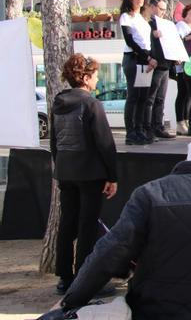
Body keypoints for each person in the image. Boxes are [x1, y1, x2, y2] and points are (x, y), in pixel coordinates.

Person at [53, 138, 191, 320]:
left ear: (187, 159)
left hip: (158, 306)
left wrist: (74, 299)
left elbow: (112, 250)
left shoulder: (149, 193)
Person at [51, 54, 118, 294]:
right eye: (96, 76)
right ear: (86, 78)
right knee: (87, 226)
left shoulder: (58, 102)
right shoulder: (91, 103)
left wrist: (59, 166)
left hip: (66, 171)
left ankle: (64, 277)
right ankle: (83, 279)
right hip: (90, 173)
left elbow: (53, 141)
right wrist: (112, 176)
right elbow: (105, 143)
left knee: (68, 223)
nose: (98, 80)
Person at [118, 0, 157, 145]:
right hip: (134, 59)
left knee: (143, 97)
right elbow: (130, 41)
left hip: (145, 59)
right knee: (133, 97)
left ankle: (140, 130)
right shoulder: (126, 17)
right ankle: (131, 133)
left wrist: (151, 58)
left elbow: (148, 42)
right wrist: (148, 58)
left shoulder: (142, 18)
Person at [144, 0, 175, 139]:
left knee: (160, 98)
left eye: (164, 9)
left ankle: (158, 126)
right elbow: (143, 42)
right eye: (161, 9)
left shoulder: (166, 24)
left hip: (165, 65)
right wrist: (152, 34)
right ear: (152, 7)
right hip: (155, 64)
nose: (163, 12)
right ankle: (148, 128)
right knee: (151, 98)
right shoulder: (148, 24)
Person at [174, 3, 191, 135]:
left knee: (188, 96)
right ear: (186, 12)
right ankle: (180, 122)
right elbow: (178, 42)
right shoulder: (180, 26)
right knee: (183, 94)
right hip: (183, 65)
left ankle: (184, 120)